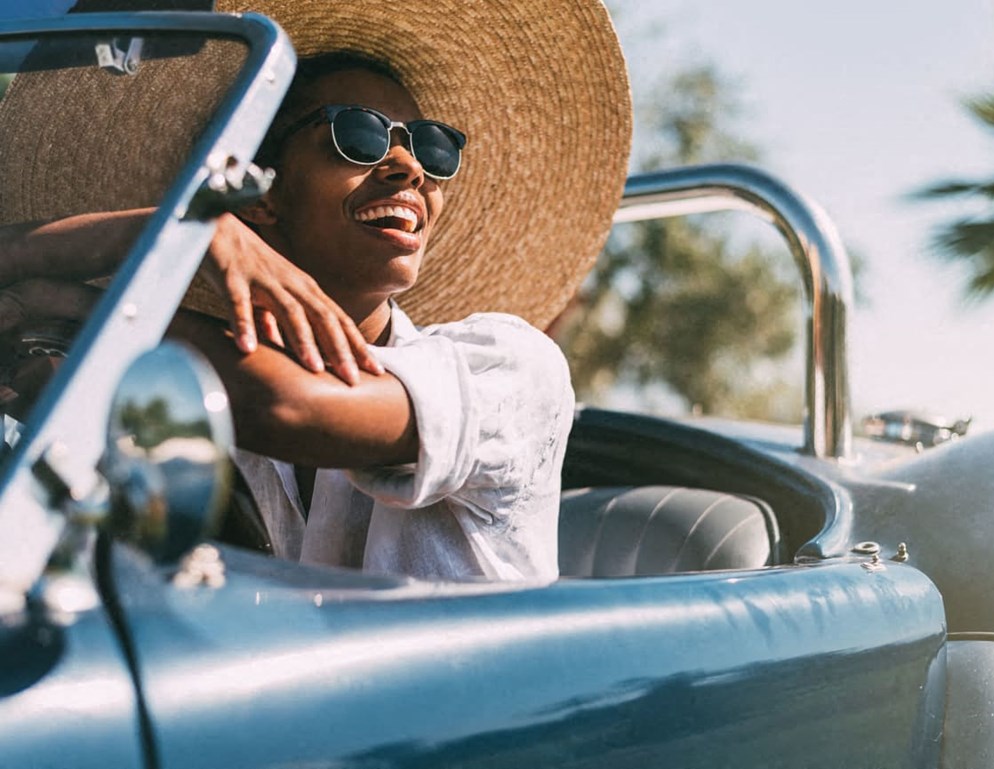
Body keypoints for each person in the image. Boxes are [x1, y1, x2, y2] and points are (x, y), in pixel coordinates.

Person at [0, 0, 632, 581]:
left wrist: (80, 310)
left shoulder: (513, 367)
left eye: (432, 148)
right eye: (358, 134)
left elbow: (285, 406)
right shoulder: (182, 372)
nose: (408, 166)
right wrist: (165, 232)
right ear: (266, 192)